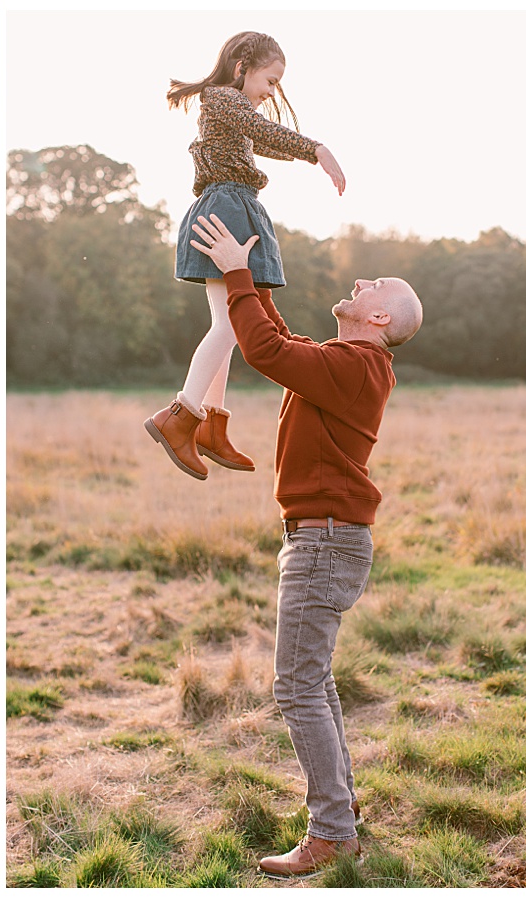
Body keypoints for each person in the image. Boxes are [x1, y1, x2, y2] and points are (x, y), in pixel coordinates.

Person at [190, 212, 422, 878]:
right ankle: (340, 821)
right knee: (314, 682)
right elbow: (280, 341)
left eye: (375, 283)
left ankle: (330, 832)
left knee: (295, 688)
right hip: (321, 538)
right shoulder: (344, 362)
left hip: (324, 542)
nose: (360, 278)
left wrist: (238, 272)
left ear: (379, 320)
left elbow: (266, 353)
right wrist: (252, 276)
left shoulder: (360, 368)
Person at [144, 31, 345, 480]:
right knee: (228, 323)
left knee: (233, 321)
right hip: (227, 209)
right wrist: (317, 149)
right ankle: (180, 416)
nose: (271, 93)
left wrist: (307, 156)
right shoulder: (221, 99)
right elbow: (263, 130)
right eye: (270, 81)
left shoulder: (231, 110)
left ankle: (211, 424)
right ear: (241, 67)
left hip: (236, 205)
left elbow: (267, 141)